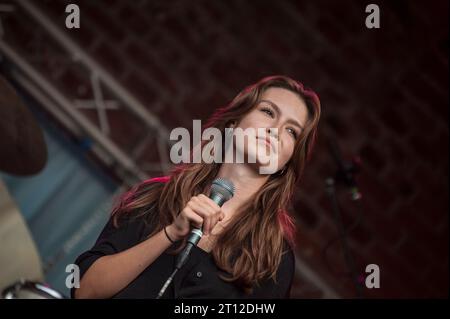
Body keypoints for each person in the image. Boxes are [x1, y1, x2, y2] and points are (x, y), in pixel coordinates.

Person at [71, 75, 321, 299]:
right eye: (268, 112)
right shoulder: (154, 199)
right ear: (233, 124)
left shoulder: (274, 257)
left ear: (287, 161)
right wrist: (171, 233)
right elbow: (85, 290)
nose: (276, 130)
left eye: (291, 130)